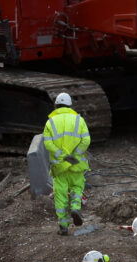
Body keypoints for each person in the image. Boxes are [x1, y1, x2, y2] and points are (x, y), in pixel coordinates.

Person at [43, 92, 91, 235]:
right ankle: (76, 206)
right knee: (77, 186)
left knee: (60, 195)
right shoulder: (79, 120)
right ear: (70, 105)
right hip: (76, 164)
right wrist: (75, 155)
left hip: (59, 167)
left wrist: (62, 156)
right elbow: (86, 141)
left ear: (56, 105)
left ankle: (63, 226)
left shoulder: (50, 122)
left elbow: (48, 143)